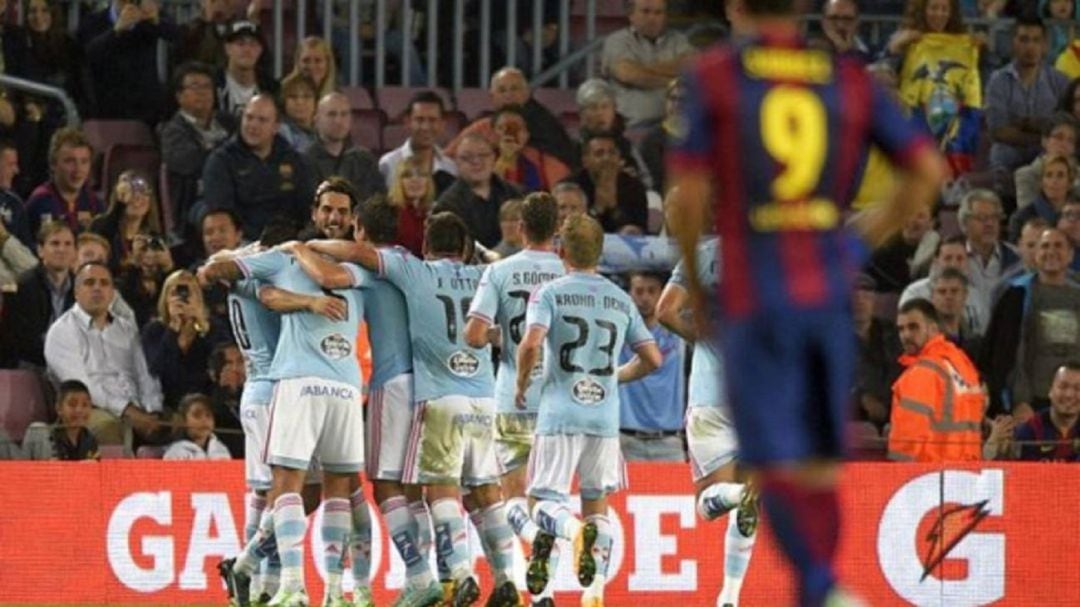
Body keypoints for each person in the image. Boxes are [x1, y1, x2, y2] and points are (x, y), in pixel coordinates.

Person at [667, 0, 946, 603]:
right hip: (826, 293)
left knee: (768, 464)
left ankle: (818, 585)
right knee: (818, 462)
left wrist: (694, 277)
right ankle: (820, 586)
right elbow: (927, 169)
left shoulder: (715, 76)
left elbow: (685, 203)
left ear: (735, 6)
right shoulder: (847, 78)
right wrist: (848, 244)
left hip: (757, 292)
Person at [303, 211, 514, 606]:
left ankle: (430, 574)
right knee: (476, 489)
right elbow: (509, 272)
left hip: (413, 387)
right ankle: (499, 578)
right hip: (483, 395)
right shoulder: (484, 277)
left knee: (397, 485)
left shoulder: (408, 268)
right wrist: (485, 254)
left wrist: (305, 246)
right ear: (465, 248)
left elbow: (343, 265)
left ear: (425, 245)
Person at [197, 200, 371, 607]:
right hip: (274, 386)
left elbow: (212, 271)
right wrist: (308, 299)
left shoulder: (245, 271)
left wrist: (221, 261)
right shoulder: (270, 273)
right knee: (282, 491)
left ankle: (252, 572)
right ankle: (262, 581)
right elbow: (272, 295)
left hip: (263, 391)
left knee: (280, 493)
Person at [289, 195, 445, 606]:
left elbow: (328, 275)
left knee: (384, 485)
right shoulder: (417, 266)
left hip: (392, 382)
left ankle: (418, 573)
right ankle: (430, 575)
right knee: (415, 489)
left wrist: (301, 249)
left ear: (359, 229)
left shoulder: (370, 268)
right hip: (431, 384)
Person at [517, 213, 662, 607]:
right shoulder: (621, 299)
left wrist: (519, 385)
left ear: (561, 250)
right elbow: (653, 358)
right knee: (598, 503)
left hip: (559, 415)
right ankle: (594, 589)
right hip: (603, 419)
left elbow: (530, 344)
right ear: (600, 251)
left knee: (542, 504)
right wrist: (614, 377)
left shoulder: (549, 293)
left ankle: (570, 535)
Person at [460, 191, 565, 605]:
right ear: (557, 229)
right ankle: (546, 594)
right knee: (549, 498)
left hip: (512, 399)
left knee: (514, 498)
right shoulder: (569, 272)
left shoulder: (501, 271)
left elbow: (472, 334)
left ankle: (531, 543)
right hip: (559, 401)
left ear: (520, 228)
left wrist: (504, 335)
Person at [656, 237, 760, 607]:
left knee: (707, 503)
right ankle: (729, 597)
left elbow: (665, 311)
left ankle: (735, 496)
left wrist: (705, 339)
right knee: (750, 496)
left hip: (711, 397)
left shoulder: (701, 255)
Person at [44, 261, 164, 445]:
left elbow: (145, 374)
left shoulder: (127, 329)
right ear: (76, 292)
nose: (98, 288)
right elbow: (83, 388)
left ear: (113, 293)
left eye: (104, 283)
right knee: (109, 428)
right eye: (90, 283)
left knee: (184, 424)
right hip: (90, 409)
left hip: (137, 407)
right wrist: (128, 411)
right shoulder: (61, 332)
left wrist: (153, 409)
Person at [981, 228, 1080, 418]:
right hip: (1033, 400)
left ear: (1070, 255)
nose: (1051, 251)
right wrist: (1020, 400)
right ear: (1035, 255)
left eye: (1058, 245)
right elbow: (1010, 353)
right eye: (1044, 246)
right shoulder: (1016, 295)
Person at [202, 94, 315, 238]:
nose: (253, 125)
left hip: (289, 244)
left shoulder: (295, 160)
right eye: (249, 118)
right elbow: (222, 215)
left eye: (262, 120)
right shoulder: (221, 161)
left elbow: (308, 208)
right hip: (242, 244)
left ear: (276, 127)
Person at [888, 298, 984, 462]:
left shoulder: (922, 372)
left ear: (933, 328)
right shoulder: (960, 363)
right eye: (901, 329)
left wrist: (897, 473)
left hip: (930, 474)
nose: (906, 335)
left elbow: (908, 439)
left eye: (913, 327)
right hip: (966, 472)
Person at [447, 67, 577, 168]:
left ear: (527, 93)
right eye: (502, 90)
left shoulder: (545, 124)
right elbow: (448, 157)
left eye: (514, 89)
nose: (509, 95)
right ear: (492, 97)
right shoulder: (483, 126)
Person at [985, 17, 1070, 172]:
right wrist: (1040, 136)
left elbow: (1065, 126)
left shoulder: (1060, 81)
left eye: (1036, 40)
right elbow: (998, 130)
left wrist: (1025, 125)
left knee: (1059, 153)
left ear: (1045, 45)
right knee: (999, 152)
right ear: (1013, 43)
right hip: (1011, 149)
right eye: (1024, 40)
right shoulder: (998, 80)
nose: (1030, 46)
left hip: (1048, 150)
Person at [617, 271, 686, 461]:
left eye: (651, 291)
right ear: (629, 294)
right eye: (639, 291)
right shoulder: (618, 332)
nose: (645, 298)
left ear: (662, 293)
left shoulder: (679, 334)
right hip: (626, 441)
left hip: (669, 442)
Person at [159, 61, 232, 240]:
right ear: (179, 96)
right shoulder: (172, 131)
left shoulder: (229, 123)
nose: (202, 92)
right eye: (194, 87)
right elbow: (190, 163)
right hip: (196, 202)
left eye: (207, 86)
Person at [141, 269, 231, 408]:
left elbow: (223, 367)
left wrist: (200, 324)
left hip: (209, 401)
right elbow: (155, 370)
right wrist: (173, 330)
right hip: (167, 403)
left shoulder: (215, 327)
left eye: (188, 293)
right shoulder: (154, 330)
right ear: (165, 299)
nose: (182, 298)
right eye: (175, 293)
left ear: (199, 298)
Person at [77, 0, 177, 124]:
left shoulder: (155, 17)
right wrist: (115, 32)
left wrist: (157, 23)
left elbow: (177, 40)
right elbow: (88, 55)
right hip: (106, 109)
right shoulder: (93, 21)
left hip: (148, 111)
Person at [601, 0, 693, 128]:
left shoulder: (678, 40)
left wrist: (642, 68)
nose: (652, 18)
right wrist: (675, 81)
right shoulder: (617, 41)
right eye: (645, 12)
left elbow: (692, 66)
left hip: (675, 126)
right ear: (631, 15)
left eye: (658, 13)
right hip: (632, 127)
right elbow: (629, 74)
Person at [0, 221, 74, 368]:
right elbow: (23, 342)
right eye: (55, 243)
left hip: (71, 365)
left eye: (68, 244)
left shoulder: (81, 287)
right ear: (40, 250)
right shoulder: (24, 287)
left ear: (74, 251)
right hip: (32, 367)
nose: (62, 249)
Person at [434, 133, 523, 249]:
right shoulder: (447, 206)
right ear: (456, 162)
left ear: (494, 158)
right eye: (467, 157)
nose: (476, 162)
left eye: (483, 155)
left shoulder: (515, 193)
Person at [987, 362, 1080, 461]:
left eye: (1078, 388)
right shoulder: (1028, 431)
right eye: (1063, 387)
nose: (1069, 395)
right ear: (1050, 390)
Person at [303, 92, 384, 204]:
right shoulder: (305, 161)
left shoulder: (365, 160)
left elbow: (378, 202)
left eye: (344, 114)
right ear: (316, 120)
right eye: (332, 114)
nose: (338, 121)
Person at [899, 236, 988, 336]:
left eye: (960, 259)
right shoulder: (915, 292)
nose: (954, 264)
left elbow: (984, 331)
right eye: (948, 258)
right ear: (936, 262)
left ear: (967, 262)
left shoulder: (976, 295)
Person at [24, 127, 101, 237]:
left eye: (84, 161)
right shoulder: (39, 202)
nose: (78, 169)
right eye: (70, 161)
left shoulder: (94, 203)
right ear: (53, 164)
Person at [378, 90, 458, 196]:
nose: (425, 127)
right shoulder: (388, 163)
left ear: (442, 124)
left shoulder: (451, 167)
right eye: (419, 120)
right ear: (407, 122)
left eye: (432, 120)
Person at [570, 131, 648, 234]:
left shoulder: (634, 186)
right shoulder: (572, 187)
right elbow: (571, 229)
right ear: (585, 161)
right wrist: (597, 209)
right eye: (599, 153)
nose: (607, 158)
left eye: (612, 152)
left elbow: (640, 230)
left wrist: (614, 208)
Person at [956, 189, 1019, 313]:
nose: (989, 224)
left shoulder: (1016, 257)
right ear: (964, 224)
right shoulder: (953, 257)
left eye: (994, 217)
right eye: (982, 218)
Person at [89, 171, 164, 270]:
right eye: (131, 193)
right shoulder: (101, 227)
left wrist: (168, 267)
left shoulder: (154, 237)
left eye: (143, 192)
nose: (137, 198)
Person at [491, 105, 570, 193]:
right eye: (502, 128)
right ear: (492, 133)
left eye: (516, 128)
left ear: (527, 135)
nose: (509, 134)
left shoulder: (548, 166)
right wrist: (504, 159)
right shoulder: (479, 160)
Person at [21, 379, 100, 460]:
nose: (79, 410)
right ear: (59, 408)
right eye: (72, 404)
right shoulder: (46, 437)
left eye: (85, 405)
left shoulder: (90, 439)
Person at [1013, 114, 1078, 212]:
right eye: (1059, 137)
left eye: (1070, 140)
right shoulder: (1027, 175)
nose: (1064, 145)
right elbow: (1028, 217)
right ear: (1045, 141)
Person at [215, 20, 278, 120]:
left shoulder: (271, 88)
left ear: (260, 50)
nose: (247, 49)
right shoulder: (212, 84)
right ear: (227, 48)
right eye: (240, 44)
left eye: (253, 44)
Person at [1009, 153, 1076, 241]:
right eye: (1048, 175)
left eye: (1060, 175)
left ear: (1069, 182)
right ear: (1041, 182)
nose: (1054, 181)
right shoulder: (1021, 218)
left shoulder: (1077, 213)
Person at [116, 232, 175, 327]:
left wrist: (169, 268)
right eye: (143, 249)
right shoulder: (125, 283)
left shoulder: (166, 281)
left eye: (154, 248)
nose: (149, 255)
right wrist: (134, 265)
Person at [386, 155, 436, 257]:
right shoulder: (390, 214)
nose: (415, 180)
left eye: (421, 175)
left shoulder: (435, 213)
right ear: (399, 182)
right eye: (408, 175)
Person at [929, 267, 982, 360]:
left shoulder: (975, 342)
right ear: (932, 296)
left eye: (954, 291)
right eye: (942, 292)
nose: (948, 296)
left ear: (965, 295)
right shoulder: (924, 338)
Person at [162, 393, 233, 460]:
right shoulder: (176, 453)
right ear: (184, 421)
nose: (204, 420)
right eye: (197, 415)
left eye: (208, 415)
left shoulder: (221, 449)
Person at [206, 342, 245, 458]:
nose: (235, 369)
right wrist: (225, 391)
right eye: (229, 363)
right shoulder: (209, 393)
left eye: (240, 361)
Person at [287, 36, 339, 101]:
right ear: (297, 62)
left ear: (328, 63)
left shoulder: (337, 96)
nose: (311, 66)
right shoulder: (284, 90)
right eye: (306, 60)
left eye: (318, 60)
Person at [277, 73, 319, 153]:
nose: (300, 102)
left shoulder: (321, 131)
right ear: (284, 102)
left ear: (316, 102)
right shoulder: (281, 132)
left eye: (307, 96)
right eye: (293, 96)